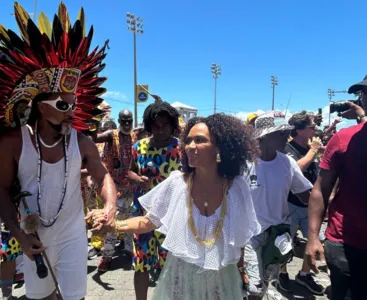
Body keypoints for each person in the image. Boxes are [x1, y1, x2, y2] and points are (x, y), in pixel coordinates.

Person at [0, 3, 116, 299]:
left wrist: (109, 207)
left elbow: (102, 175)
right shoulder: (13, 143)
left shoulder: (81, 141)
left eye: (73, 104)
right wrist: (18, 234)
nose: (71, 111)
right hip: (33, 236)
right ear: (40, 106)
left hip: (72, 235)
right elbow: (2, 190)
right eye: (62, 105)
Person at [88, 114, 261, 300]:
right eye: (188, 141)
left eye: (200, 140)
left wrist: (242, 270)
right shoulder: (177, 184)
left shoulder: (236, 187)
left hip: (222, 281)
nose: (190, 146)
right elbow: (148, 221)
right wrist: (113, 225)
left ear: (220, 147)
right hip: (180, 279)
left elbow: (240, 239)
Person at [306, 63, 367, 300]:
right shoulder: (343, 139)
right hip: (346, 247)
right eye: (364, 92)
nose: (366, 96)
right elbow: (320, 189)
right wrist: (313, 237)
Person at [243, 112, 313, 300]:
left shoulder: (287, 163)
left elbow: (306, 195)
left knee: (266, 282)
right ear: (264, 137)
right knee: (254, 288)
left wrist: (328, 199)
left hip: (278, 235)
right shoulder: (245, 164)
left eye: (286, 133)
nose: (287, 138)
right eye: (280, 134)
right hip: (251, 236)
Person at [126, 101, 183, 300]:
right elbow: (129, 171)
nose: (160, 130)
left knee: (172, 266)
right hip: (143, 216)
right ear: (148, 126)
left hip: (172, 218)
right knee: (141, 263)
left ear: (172, 125)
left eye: (165, 126)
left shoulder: (181, 149)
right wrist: (136, 179)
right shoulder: (138, 147)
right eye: (156, 126)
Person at [278, 111, 325, 295]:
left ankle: (304, 275)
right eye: (312, 127)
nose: (315, 129)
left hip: (309, 205)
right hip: (290, 204)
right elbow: (295, 169)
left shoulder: (309, 148)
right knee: (285, 243)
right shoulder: (288, 149)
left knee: (316, 241)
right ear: (299, 130)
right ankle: (281, 273)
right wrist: (313, 150)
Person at [91, 109, 137, 272]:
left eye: (129, 121)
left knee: (131, 223)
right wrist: (95, 119)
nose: (126, 124)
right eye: (123, 121)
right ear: (118, 120)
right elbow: (94, 137)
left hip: (130, 189)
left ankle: (130, 252)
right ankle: (107, 256)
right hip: (114, 190)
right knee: (112, 224)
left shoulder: (135, 135)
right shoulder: (112, 135)